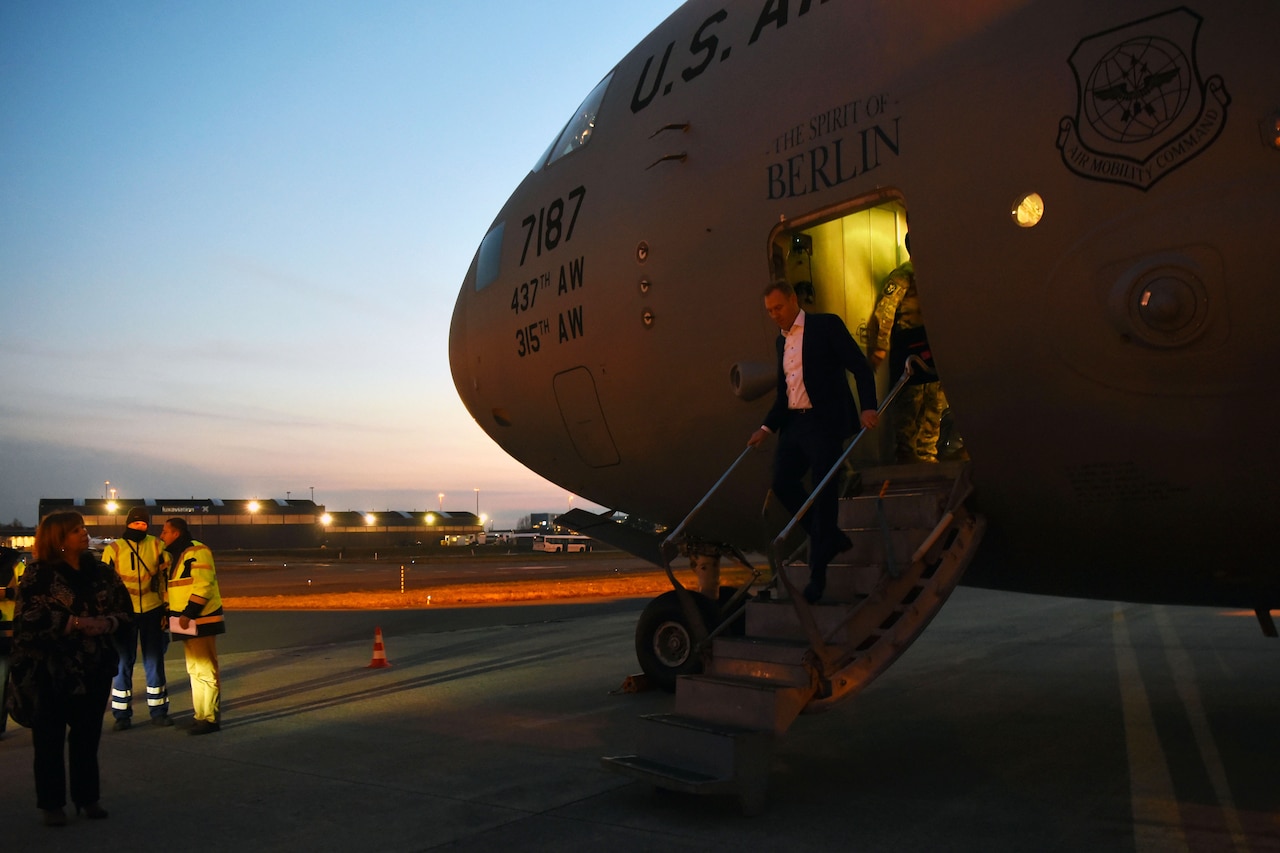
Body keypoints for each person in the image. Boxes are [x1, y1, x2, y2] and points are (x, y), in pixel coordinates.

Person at [748, 280, 879, 603]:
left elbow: (860, 367)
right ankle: (827, 537)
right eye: (769, 311)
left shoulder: (825, 325)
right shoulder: (781, 344)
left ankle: (817, 578)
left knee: (823, 493)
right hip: (795, 424)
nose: (774, 315)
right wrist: (765, 429)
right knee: (782, 483)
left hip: (825, 422)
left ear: (793, 300)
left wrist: (868, 407)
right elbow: (784, 394)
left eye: (778, 308)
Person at [8, 512, 131, 826]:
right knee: (48, 740)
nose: (84, 534)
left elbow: (124, 610)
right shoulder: (38, 575)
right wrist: (74, 623)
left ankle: (87, 798)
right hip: (50, 671)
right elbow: (27, 621)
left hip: (94, 668)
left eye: (83, 528)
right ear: (57, 538)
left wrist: (108, 622)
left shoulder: (102, 572)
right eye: (76, 530)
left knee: (87, 739)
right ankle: (52, 804)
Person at [868, 234, 948, 463]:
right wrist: (881, 347)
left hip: (932, 347)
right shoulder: (904, 274)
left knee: (933, 405)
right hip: (910, 347)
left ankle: (927, 455)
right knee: (909, 406)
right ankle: (907, 457)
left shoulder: (933, 276)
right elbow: (885, 311)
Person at [102, 507, 171, 730]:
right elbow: (104, 585)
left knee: (154, 662)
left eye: (143, 524)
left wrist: (166, 609)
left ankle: (158, 711)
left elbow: (166, 579)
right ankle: (121, 714)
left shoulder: (157, 545)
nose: (140, 527)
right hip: (124, 613)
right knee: (123, 663)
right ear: (128, 524)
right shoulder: (114, 549)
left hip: (152, 609)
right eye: (136, 524)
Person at [159, 517, 224, 735]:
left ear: (176, 533)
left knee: (206, 670)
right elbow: (174, 589)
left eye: (165, 532)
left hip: (199, 619)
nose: (162, 535)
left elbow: (204, 584)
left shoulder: (198, 551)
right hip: (184, 619)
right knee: (195, 670)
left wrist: (188, 614)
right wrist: (169, 613)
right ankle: (201, 716)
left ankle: (210, 718)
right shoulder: (173, 555)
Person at [1, 545, 26, 738]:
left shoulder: (15, 565)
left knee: (6, 681)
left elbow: (27, 591)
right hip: (9, 630)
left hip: (9, 632)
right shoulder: (15, 563)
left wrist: (9, 594)